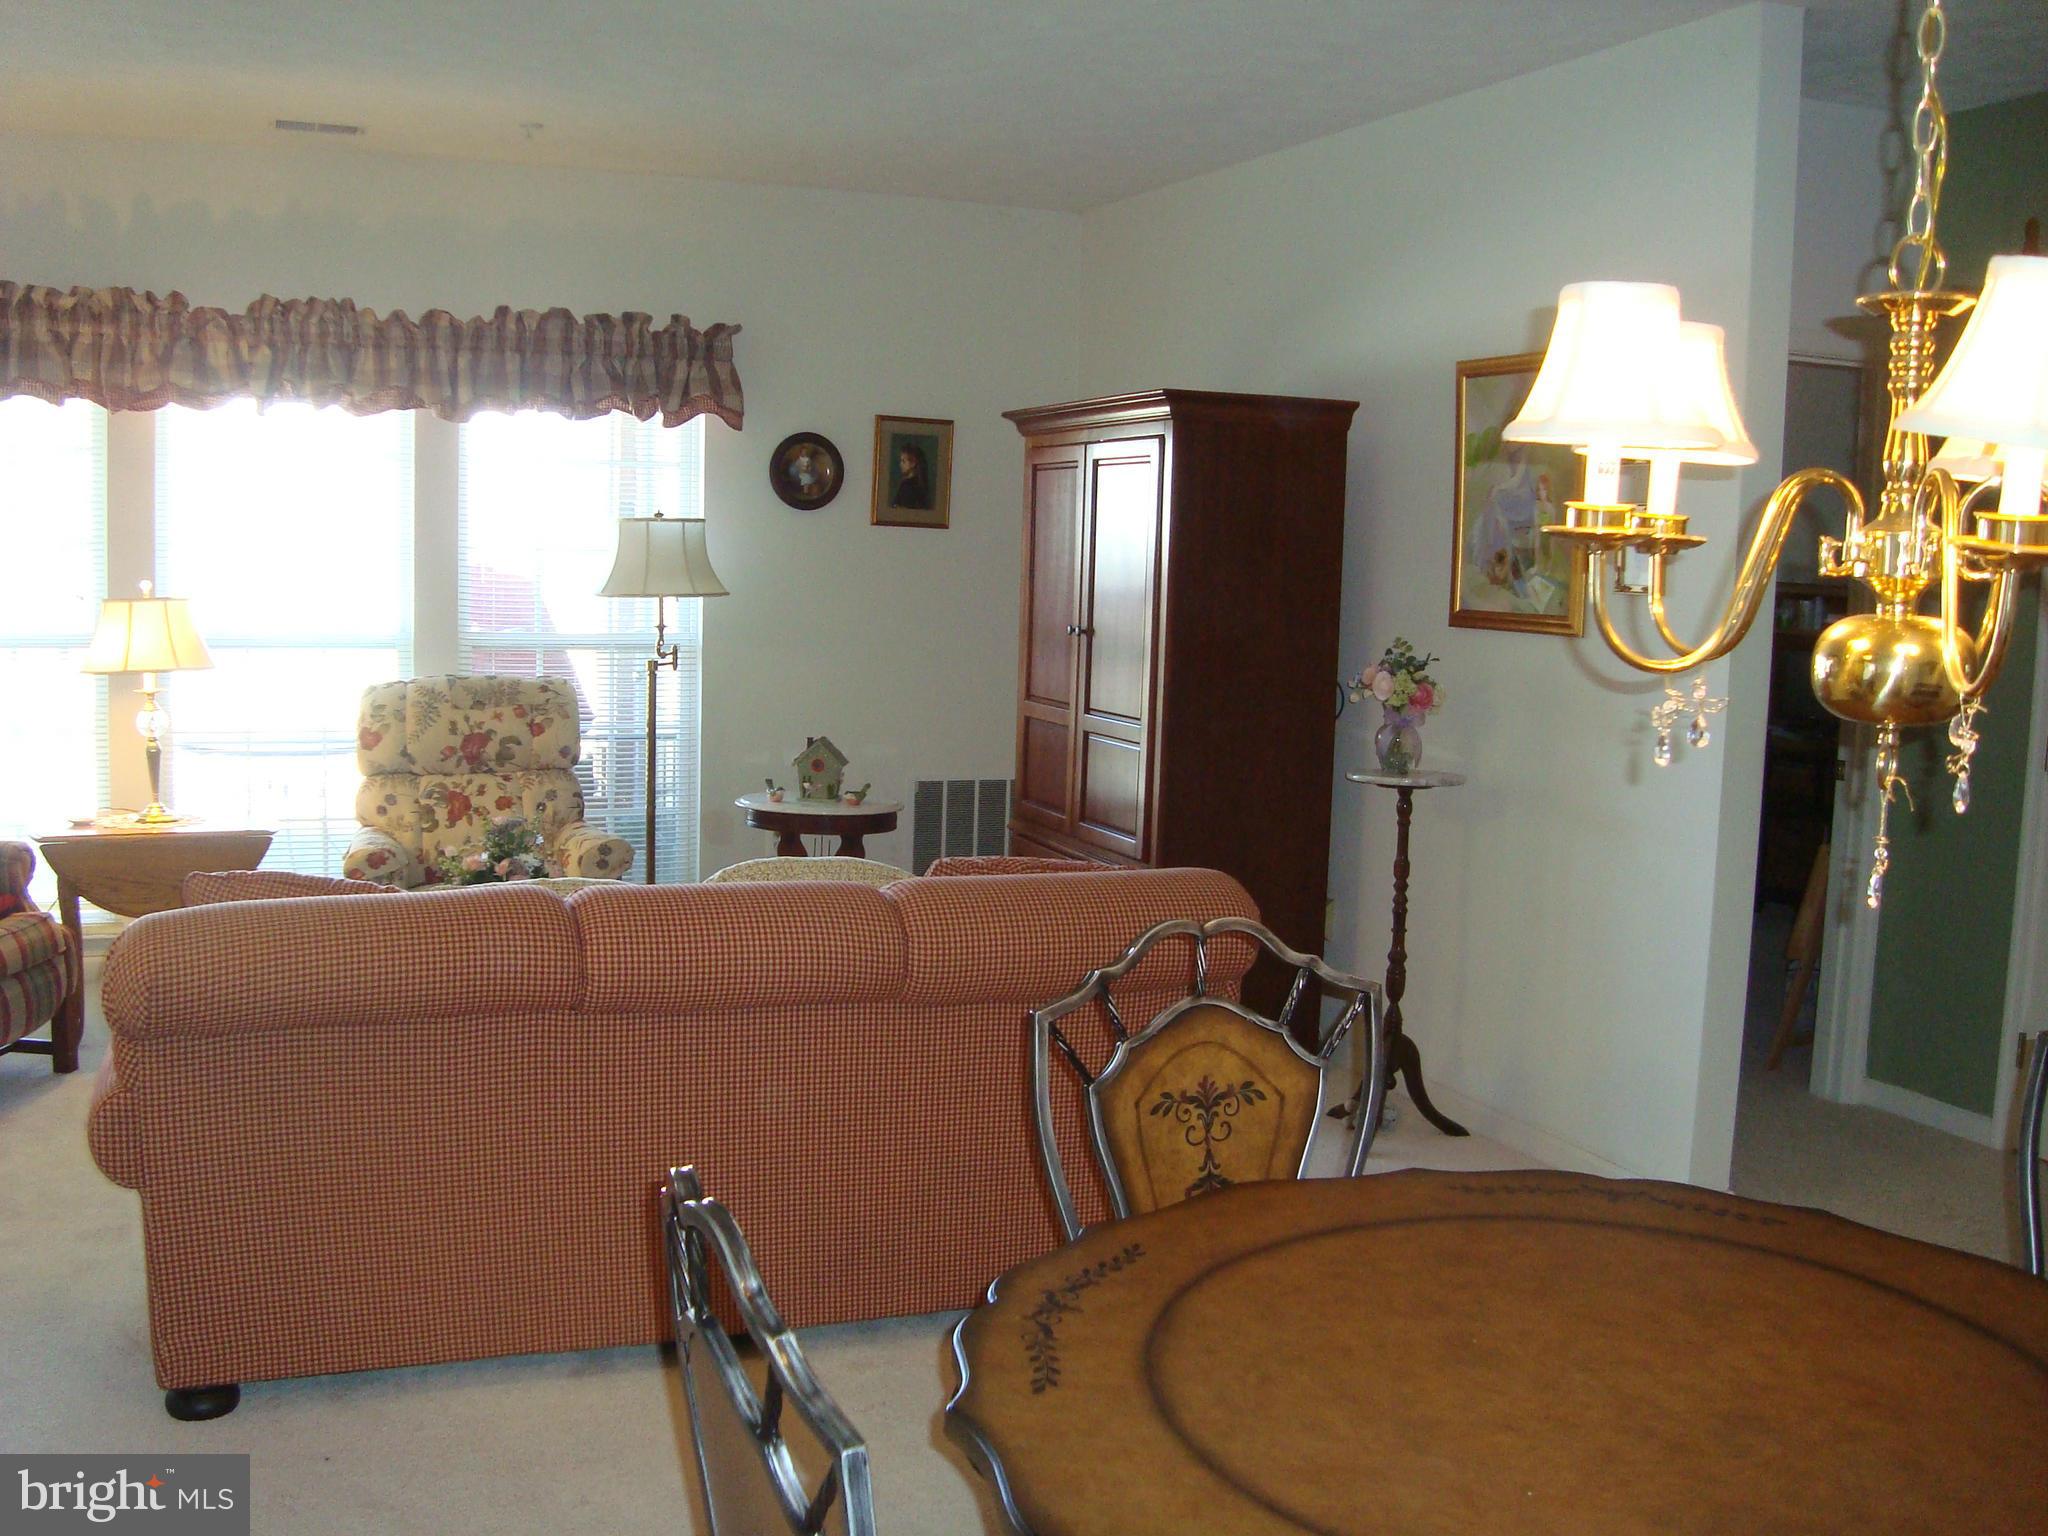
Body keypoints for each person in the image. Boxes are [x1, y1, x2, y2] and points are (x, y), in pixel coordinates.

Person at [891, 442, 932, 510]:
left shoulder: (907, 485)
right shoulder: (920, 484)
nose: (900, 464)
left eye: (903, 461)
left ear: (913, 463)